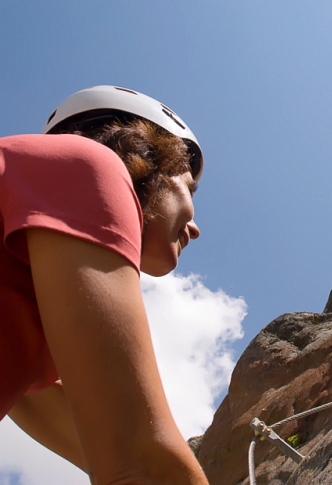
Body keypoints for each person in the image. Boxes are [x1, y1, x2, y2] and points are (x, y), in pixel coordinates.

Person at [0, 85, 210, 484]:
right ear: (150, 158)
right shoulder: (86, 164)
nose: (196, 229)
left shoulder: (30, 320)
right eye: (188, 185)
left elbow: (97, 441)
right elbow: (138, 464)